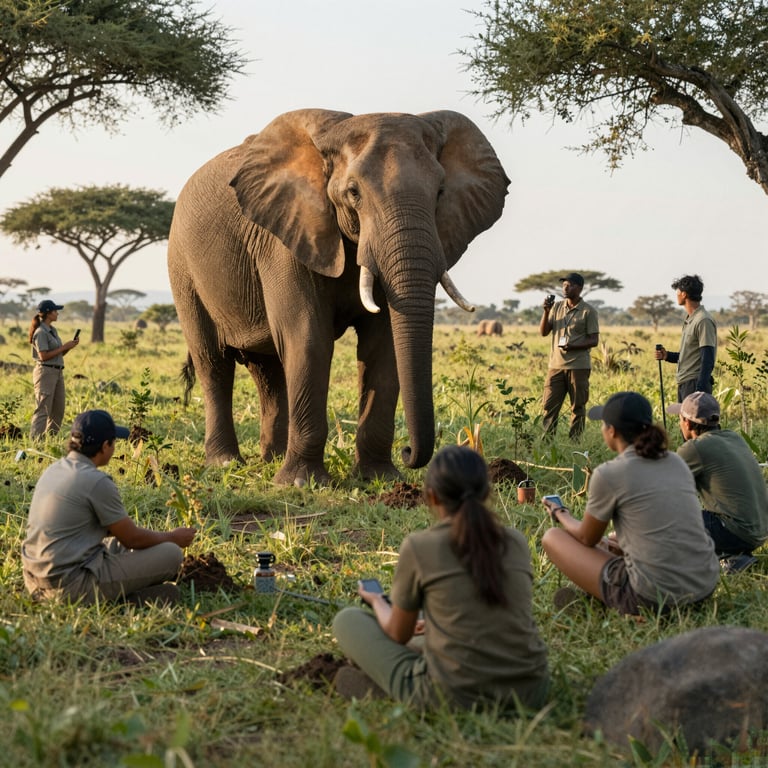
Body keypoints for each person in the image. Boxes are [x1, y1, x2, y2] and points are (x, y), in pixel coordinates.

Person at [332, 445, 549, 712]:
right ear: (487, 492)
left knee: (347, 620)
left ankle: (386, 688)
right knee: (425, 616)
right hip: (529, 692)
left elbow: (398, 634)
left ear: (432, 497)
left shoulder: (419, 546)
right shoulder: (516, 541)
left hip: (455, 696)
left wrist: (377, 601)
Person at [541, 391, 719, 615]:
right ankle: (597, 599)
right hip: (704, 586)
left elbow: (587, 538)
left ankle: (614, 603)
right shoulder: (675, 461)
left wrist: (560, 512)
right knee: (610, 542)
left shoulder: (609, 474)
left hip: (655, 597)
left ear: (612, 431)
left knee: (552, 537)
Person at [22, 409, 197, 605]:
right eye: (114, 443)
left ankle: (129, 593)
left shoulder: (54, 470)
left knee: (117, 545)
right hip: (68, 587)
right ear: (105, 446)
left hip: (34, 580)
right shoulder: (96, 481)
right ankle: (126, 600)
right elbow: (132, 539)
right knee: (171, 553)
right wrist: (174, 537)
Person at [668, 391, 768, 563]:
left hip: (736, 531)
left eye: (680, 419)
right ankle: (736, 556)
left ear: (687, 423)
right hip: (760, 530)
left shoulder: (695, 448)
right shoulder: (734, 437)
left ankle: (728, 559)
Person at [539, 272, 600, 438]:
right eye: (564, 285)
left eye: (570, 285)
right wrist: (546, 311)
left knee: (577, 407)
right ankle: (547, 441)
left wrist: (573, 346)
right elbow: (544, 332)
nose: (566, 288)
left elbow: (594, 340)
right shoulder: (557, 307)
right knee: (549, 406)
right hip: (555, 366)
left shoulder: (589, 311)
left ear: (579, 288)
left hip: (578, 367)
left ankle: (575, 442)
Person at [654, 274, 717, 402]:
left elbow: (707, 359)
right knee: (686, 422)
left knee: (696, 422)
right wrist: (668, 356)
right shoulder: (690, 319)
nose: (676, 294)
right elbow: (691, 356)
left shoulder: (703, 320)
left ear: (684, 294)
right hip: (685, 383)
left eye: (677, 291)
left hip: (694, 384)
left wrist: (699, 390)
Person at [29, 298, 80, 439]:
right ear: (48, 313)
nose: (57, 313)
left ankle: (49, 440)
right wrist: (64, 347)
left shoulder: (52, 330)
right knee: (43, 409)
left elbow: (58, 353)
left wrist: (69, 347)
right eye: (55, 311)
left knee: (58, 410)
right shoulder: (40, 333)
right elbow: (43, 356)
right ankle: (35, 442)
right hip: (45, 373)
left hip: (57, 372)